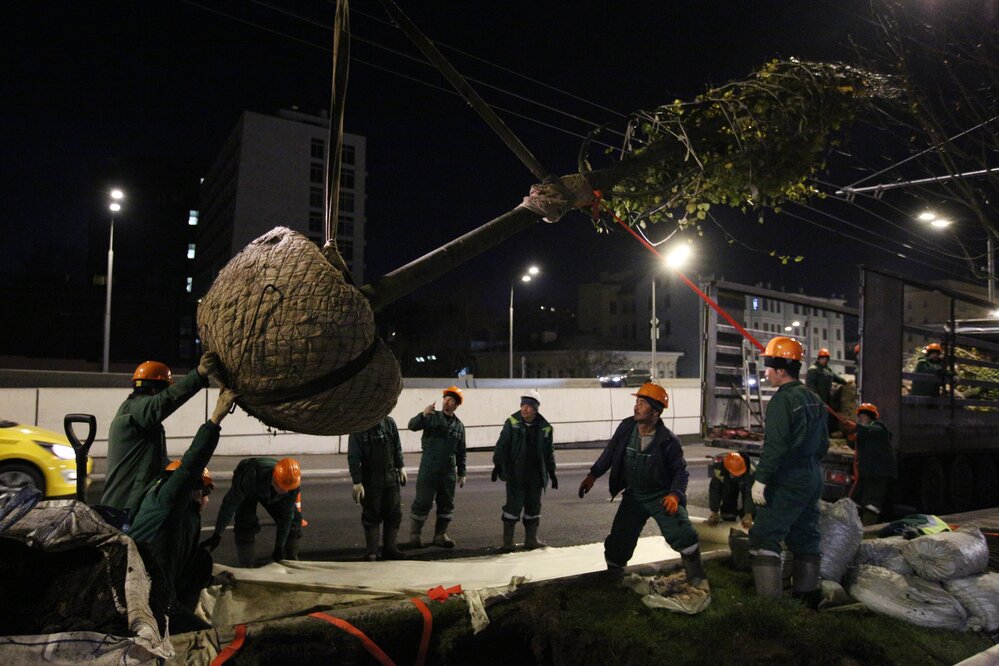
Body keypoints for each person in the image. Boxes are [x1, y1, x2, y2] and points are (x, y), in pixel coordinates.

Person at [577, 382, 708, 589]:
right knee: (618, 542)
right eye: (637, 402)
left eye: (642, 403)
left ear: (656, 411)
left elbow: (680, 472)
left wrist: (675, 494)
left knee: (684, 533)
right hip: (634, 495)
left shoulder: (668, 441)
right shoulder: (626, 427)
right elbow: (610, 452)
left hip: (660, 496)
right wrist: (593, 475)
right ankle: (614, 583)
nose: (636, 407)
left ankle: (697, 580)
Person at [128, 389, 237, 633]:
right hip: (149, 599)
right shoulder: (169, 499)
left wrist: (213, 581)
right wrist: (215, 420)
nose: (207, 499)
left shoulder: (169, 507)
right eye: (206, 492)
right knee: (207, 638)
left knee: (202, 560)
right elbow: (191, 466)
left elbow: (186, 564)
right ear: (196, 490)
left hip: (158, 587)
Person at [749, 336, 828, 605]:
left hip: (791, 475)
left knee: (763, 535)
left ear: (781, 369)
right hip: (813, 473)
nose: (766, 372)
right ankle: (807, 600)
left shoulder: (782, 401)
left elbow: (776, 446)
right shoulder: (814, 399)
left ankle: (770, 608)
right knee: (805, 533)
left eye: (769, 366)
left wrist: (761, 479)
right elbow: (824, 443)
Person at [101, 352, 218, 518]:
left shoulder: (141, 421)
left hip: (126, 506)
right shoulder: (137, 410)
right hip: (124, 509)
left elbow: (157, 465)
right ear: (156, 389)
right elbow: (164, 402)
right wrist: (199, 374)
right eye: (165, 390)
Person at [202, 457, 303, 567]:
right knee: (245, 523)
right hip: (250, 480)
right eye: (282, 488)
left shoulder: (292, 484)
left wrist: (280, 546)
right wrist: (217, 534)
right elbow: (229, 504)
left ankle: (291, 564)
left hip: (267, 486)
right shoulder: (250, 477)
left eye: (288, 489)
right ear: (274, 480)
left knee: (294, 521)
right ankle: (246, 567)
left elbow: (286, 516)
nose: (285, 492)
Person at [491, 390, 556, 551]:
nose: (524, 409)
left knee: (533, 507)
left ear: (535, 409)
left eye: (528, 406)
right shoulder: (512, 422)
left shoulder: (545, 428)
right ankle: (508, 542)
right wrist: (497, 464)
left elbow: (549, 452)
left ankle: (531, 540)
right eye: (523, 405)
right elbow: (502, 445)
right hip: (516, 474)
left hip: (535, 476)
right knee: (512, 508)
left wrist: (552, 473)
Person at [408, 386, 467, 548]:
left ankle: (440, 536)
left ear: (456, 405)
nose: (446, 402)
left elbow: (461, 450)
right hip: (429, 466)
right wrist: (423, 414)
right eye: (445, 398)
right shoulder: (431, 416)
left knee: (446, 503)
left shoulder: (459, 426)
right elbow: (412, 426)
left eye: (450, 400)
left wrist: (462, 472)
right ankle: (415, 536)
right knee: (423, 501)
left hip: (448, 470)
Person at [347, 416, 407, 561]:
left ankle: (390, 549)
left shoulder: (389, 423)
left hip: (391, 477)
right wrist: (357, 482)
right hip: (371, 479)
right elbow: (354, 456)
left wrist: (401, 466)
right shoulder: (359, 426)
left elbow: (396, 446)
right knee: (371, 514)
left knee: (393, 513)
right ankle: (371, 551)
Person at [844, 403, 896, 525]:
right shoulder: (863, 431)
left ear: (871, 417)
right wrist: (851, 432)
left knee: (871, 503)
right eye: (860, 416)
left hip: (878, 473)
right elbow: (853, 442)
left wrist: (857, 427)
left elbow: (870, 432)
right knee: (855, 499)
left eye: (864, 416)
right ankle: (853, 526)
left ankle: (868, 529)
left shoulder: (879, 428)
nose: (861, 419)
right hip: (866, 472)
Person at [707, 451, 755, 529]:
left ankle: (747, 520)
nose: (738, 474)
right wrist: (714, 511)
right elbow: (715, 489)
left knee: (750, 510)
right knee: (728, 493)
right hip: (729, 481)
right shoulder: (720, 469)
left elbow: (750, 492)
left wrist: (749, 513)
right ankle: (728, 518)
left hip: (746, 481)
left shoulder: (751, 471)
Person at [805, 348, 848, 434]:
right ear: (819, 358)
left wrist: (846, 381)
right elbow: (810, 387)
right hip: (817, 401)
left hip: (827, 400)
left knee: (828, 419)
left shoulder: (828, 371)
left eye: (826, 359)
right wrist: (816, 398)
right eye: (823, 358)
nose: (825, 360)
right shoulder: (813, 370)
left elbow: (837, 378)